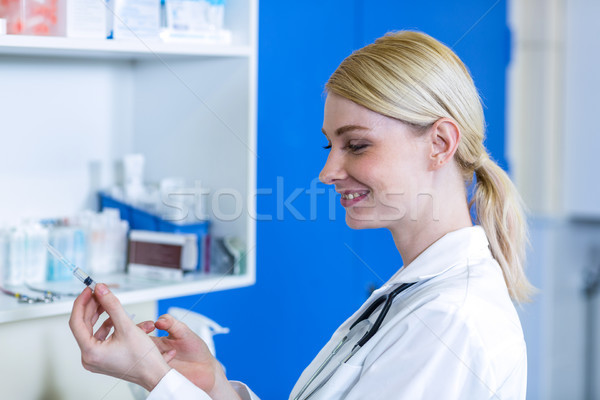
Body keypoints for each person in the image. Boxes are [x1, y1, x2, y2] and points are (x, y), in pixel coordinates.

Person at [70, 31, 533, 400]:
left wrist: (155, 376)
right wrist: (213, 387)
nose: (328, 171)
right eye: (329, 145)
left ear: (440, 144)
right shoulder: (416, 297)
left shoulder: (453, 324)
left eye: (356, 145)